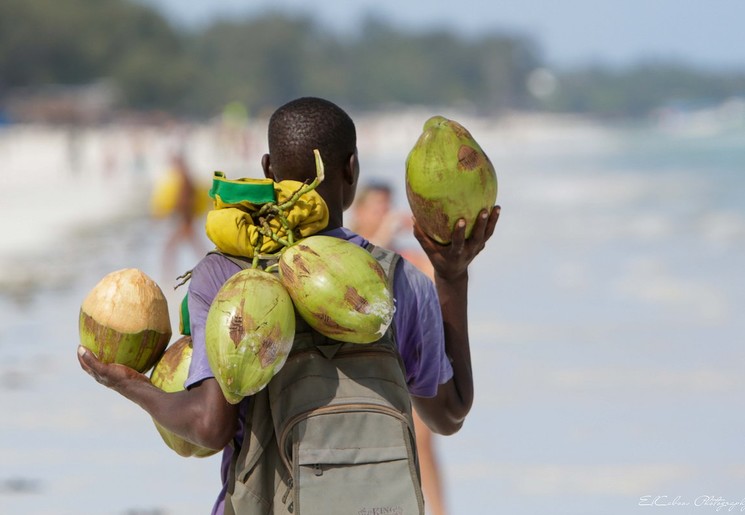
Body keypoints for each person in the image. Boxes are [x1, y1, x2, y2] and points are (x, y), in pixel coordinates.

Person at [77, 97, 500, 514]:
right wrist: (452, 277)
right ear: (352, 170)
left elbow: (209, 426)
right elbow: (449, 414)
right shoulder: (397, 279)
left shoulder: (226, 275)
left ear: (267, 169)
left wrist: (127, 382)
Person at [350, 182, 446, 515]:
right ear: (358, 210)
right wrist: (385, 232)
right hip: (360, 363)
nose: (385, 213)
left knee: (423, 440)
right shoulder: (345, 247)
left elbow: (441, 284)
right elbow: (355, 274)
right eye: (377, 206)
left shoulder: (403, 255)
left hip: (406, 356)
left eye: (388, 206)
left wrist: (435, 243)